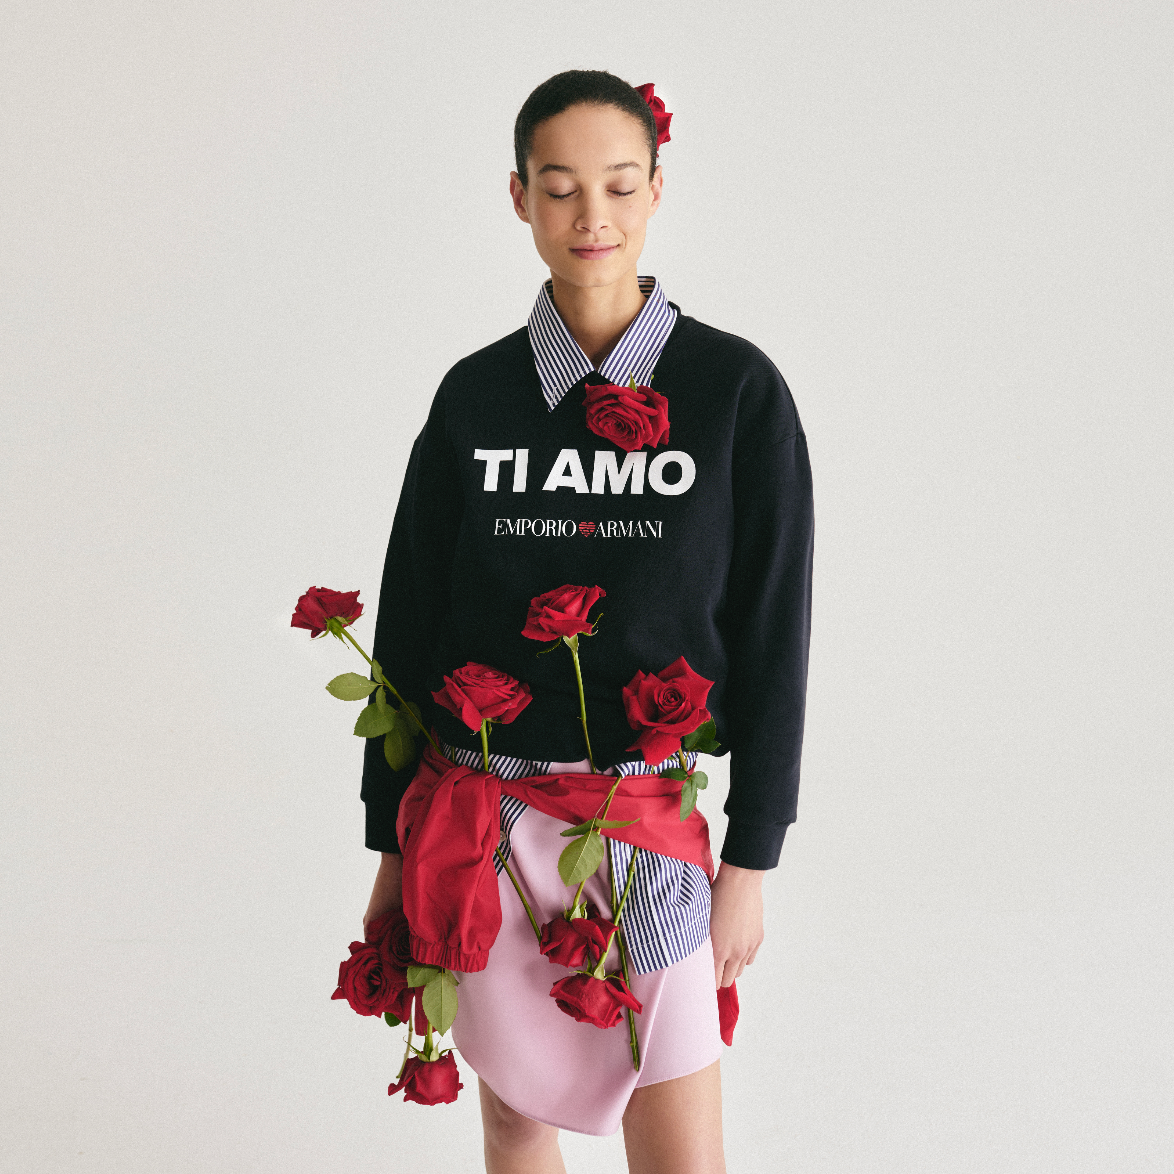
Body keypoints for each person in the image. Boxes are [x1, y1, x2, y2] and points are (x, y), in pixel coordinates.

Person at [359, 69, 813, 1174]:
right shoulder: (474, 397)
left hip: (647, 819)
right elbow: (409, 624)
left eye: (617, 183)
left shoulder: (734, 391)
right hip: (480, 815)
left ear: (657, 189)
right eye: (559, 187)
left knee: (678, 1136)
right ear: (519, 196)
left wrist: (750, 857)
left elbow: (775, 631)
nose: (590, 215)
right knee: (514, 1117)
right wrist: (388, 845)